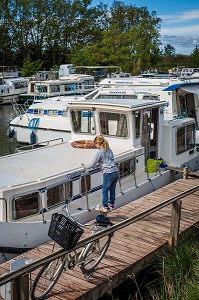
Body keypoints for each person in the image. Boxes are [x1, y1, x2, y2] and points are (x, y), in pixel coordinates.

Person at [81, 135, 119, 213]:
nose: (95, 146)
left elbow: (92, 164)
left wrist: (84, 166)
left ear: (98, 143)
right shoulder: (109, 150)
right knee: (112, 189)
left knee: (104, 190)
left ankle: (105, 206)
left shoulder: (99, 152)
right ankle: (111, 204)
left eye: (95, 144)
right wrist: (100, 164)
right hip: (115, 171)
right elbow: (109, 160)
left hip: (108, 173)